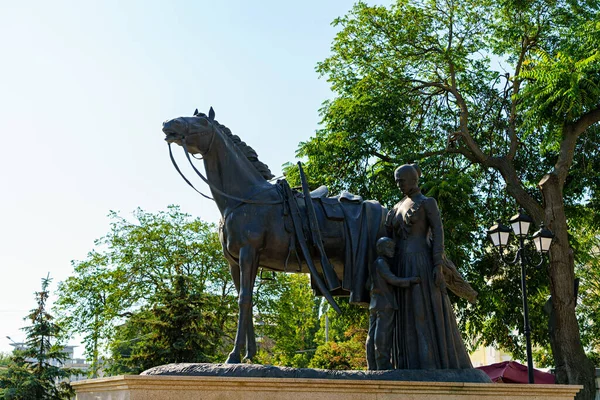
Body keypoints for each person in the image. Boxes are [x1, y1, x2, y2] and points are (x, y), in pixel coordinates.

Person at [386, 164, 473, 369]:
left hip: (421, 262)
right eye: (397, 181)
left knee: (422, 311)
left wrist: (437, 264)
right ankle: (409, 365)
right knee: (406, 316)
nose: (399, 184)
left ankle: (431, 363)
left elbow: (438, 234)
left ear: (413, 179)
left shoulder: (427, 203)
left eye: (402, 180)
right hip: (401, 265)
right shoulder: (398, 206)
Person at [366, 237, 420, 370]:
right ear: (381, 249)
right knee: (382, 334)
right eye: (389, 247)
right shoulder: (381, 263)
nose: (393, 251)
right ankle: (383, 364)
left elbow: (368, 284)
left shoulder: (374, 264)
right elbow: (392, 279)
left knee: (372, 335)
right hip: (385, 303)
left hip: (375, 303)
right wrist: (411, 280)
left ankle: (373, 365)